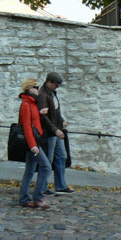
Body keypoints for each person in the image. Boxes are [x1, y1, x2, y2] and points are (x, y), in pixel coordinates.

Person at [38, 72, 75, 195]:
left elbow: (56, 112)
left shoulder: (52, 93)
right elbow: (44, 117)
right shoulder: (43, 94)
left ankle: (60, 185)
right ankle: (42, 187)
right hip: (49, 132)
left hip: (56, 130)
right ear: (49, 82)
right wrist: (55, 130)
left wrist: (62, 120)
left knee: (62, 156)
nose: (57, 87)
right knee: (47, 160)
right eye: (56, 85)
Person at [17, 78, 51, 209]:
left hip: (35, 140)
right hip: (32, 142)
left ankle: (24, 198)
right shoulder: (27, 104)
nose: (38, 89)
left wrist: (40, 113)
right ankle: (38, 197)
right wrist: (33, 145)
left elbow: (33, 121)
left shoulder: (32, 103)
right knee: (46, 167)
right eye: (36, 87)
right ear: (29, 89)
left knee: (30, 171)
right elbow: (27, 126)